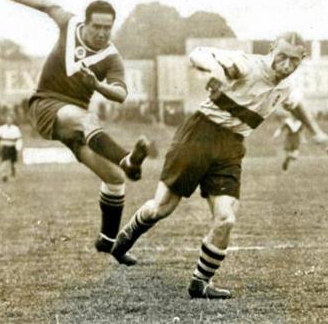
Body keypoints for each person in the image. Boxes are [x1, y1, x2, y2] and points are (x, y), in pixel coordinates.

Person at [111, 32, 328, 299]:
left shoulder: (286, 86)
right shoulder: (247, 65)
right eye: (281, 55)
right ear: (272, 49)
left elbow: (296, 105)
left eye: (293, 60)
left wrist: (316, 131)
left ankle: (200, 283)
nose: (285, 64)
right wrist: (215, 70)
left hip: (231, 146)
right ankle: (123, 241)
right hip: (199, 134)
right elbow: (199, 54)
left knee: (226, 219)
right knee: (162, 208)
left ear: (301, 60)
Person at [0, 0, 149, 265]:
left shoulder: (111, 57)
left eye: (108, 27)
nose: (103, 33)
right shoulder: (69, 26)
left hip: (78, 129)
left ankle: (107, 241)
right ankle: (127, 159)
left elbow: (120, 94)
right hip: (47, 105)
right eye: (97, 26)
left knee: (115, 179)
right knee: (86, 118)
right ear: (87, 22)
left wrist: (97, 84)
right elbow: (47, 5)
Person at [0, 113, 23, 181]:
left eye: (10, 119)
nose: (9, 121)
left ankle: (13, 175)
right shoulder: (2, 128)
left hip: (13, 146)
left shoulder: (15, 128)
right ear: (6, 120)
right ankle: (4, 175)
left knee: (13, 162)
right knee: (4, 161)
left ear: (12, 120)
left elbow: (19, 139)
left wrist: (18, 147)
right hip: (5, 147)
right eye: (8, 119)